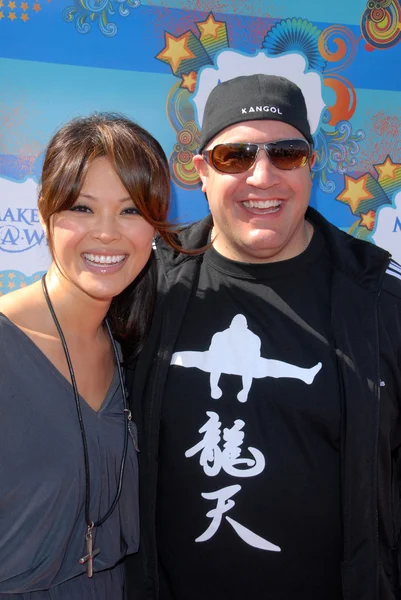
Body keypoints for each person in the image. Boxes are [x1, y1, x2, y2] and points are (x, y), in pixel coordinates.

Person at [126, 74, 401, 599]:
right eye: (235, 156)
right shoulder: (145, 289)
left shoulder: (379, 302)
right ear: (201, 171)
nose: (263, 176)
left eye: (287, 153)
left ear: (311, 165)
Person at [0, 112, 181, 599]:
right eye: (82, 207)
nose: (107, 233)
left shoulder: (132, 350)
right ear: (45, 211)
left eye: (130, 210)